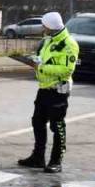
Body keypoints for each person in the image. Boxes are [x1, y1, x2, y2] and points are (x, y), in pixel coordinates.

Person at [17, 12, 78, 174]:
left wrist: (41, 67)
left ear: (51, 27)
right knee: (37, 121)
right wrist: (32, 60)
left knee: (57, 126)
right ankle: (38, 157)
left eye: (44, 25)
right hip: (44, 88)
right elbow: (44, 59)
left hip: (58, 90)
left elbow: (67, 70)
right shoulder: (48, 40)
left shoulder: (68, 44)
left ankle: (56, 161)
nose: (42, 28)